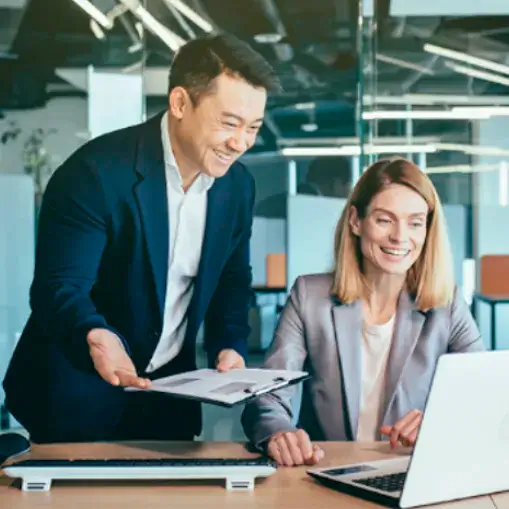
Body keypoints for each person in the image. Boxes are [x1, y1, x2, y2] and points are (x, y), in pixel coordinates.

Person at [3, 34, 281, 443]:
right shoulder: (96, 173)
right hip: (76, 389)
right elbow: (59, 288)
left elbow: (231, 278)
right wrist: (96, 336)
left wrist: (230, 343)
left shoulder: (236, 186)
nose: (240, 143)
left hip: (168, 396)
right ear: (181, 103)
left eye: (253, 128)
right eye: (229, 123)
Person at [241, 157, 484, 466]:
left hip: (411, 471)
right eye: (384, 220)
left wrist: (439, 423)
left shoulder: (446, 305)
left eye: (415, 222)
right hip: (328, 472)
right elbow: (268, 397)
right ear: (356, 221)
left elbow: (482, 399)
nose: (400, 236)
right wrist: (279, 433)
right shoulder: (309, 297)